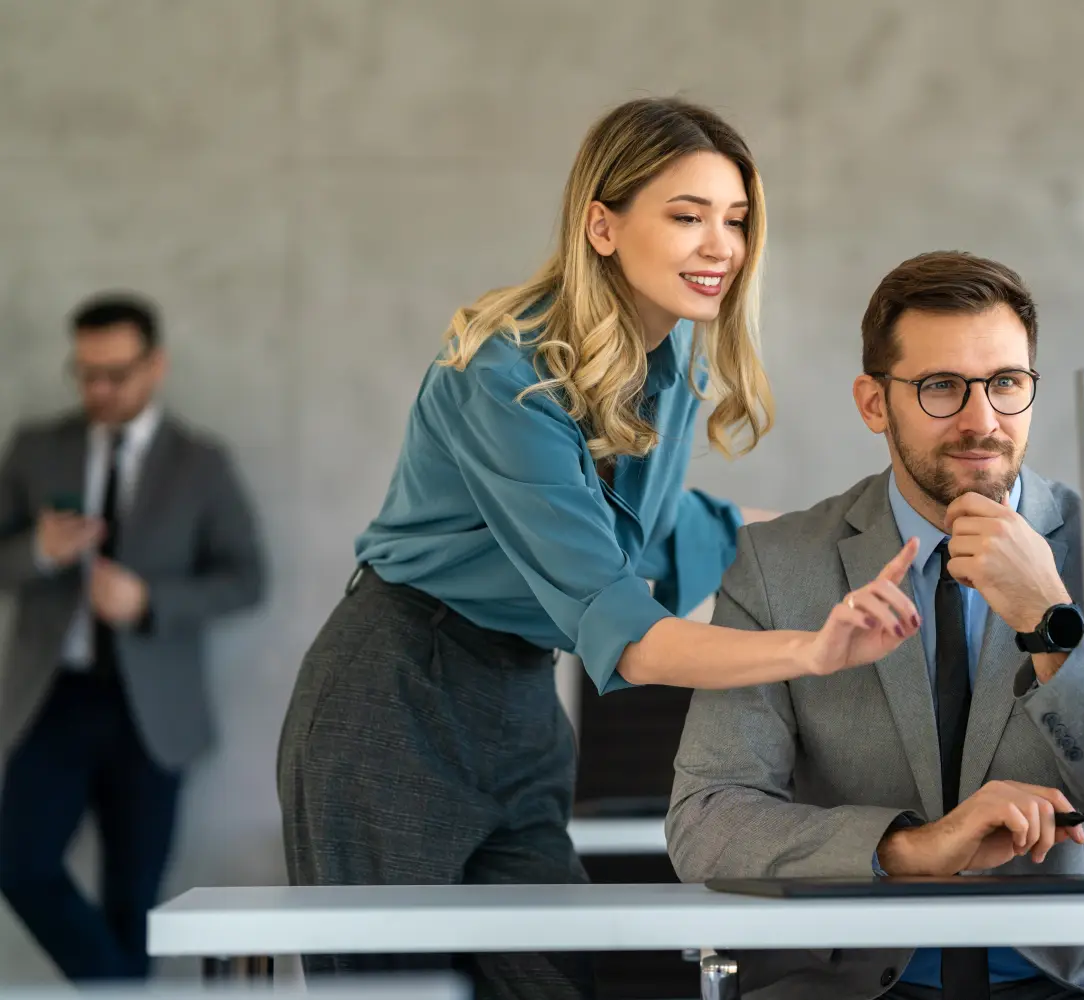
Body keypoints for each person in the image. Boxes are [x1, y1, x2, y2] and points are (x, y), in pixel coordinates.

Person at [276, 97, 920, 1000]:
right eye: (687, 216)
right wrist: (812, 651)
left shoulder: (674, 370)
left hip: (520, 696)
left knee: (550, 982)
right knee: (395, 988)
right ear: (602, 225)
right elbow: (625, 625)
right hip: (396, 692)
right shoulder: (504, 375)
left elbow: (662, 527)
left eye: (735, 221)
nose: (720, 246)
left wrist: (866, 533)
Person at [668, 251, 1084, 1000]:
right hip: (852, 984)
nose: (981, 420)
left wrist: (1049, 622)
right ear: (874, 403)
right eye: (940, 388)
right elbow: (707, 820)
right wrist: (908, 849)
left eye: (1005, 384)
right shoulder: (776, 566)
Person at [0, 293, 266, 981]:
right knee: (17, 862)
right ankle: (124, 994)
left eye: (115, 373)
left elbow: (247, 579)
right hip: (51, 698)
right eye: (85, 373)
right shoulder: (36, 448)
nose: (100, 390)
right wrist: (39, 551)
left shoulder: (200, 463)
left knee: (134, 900)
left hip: (154, 711)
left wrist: (150, 601)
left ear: (155, 366)